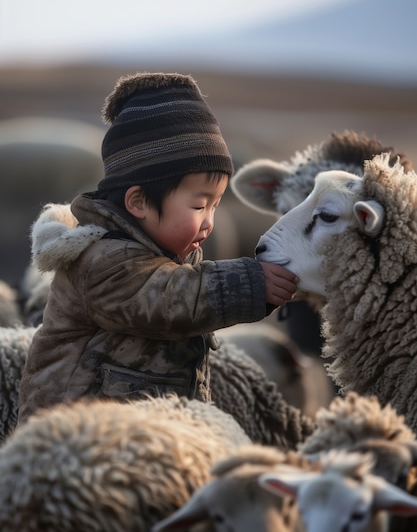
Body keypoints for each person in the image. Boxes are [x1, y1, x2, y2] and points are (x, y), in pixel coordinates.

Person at [18, 72, 297, 424]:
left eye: (215, 206)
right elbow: (166, 300)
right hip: (71, 441)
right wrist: (249, 284)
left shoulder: (166, 255)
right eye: (199, 206)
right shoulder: (102, 260)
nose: (210, 221)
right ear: (138, 203)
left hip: (142, 435)